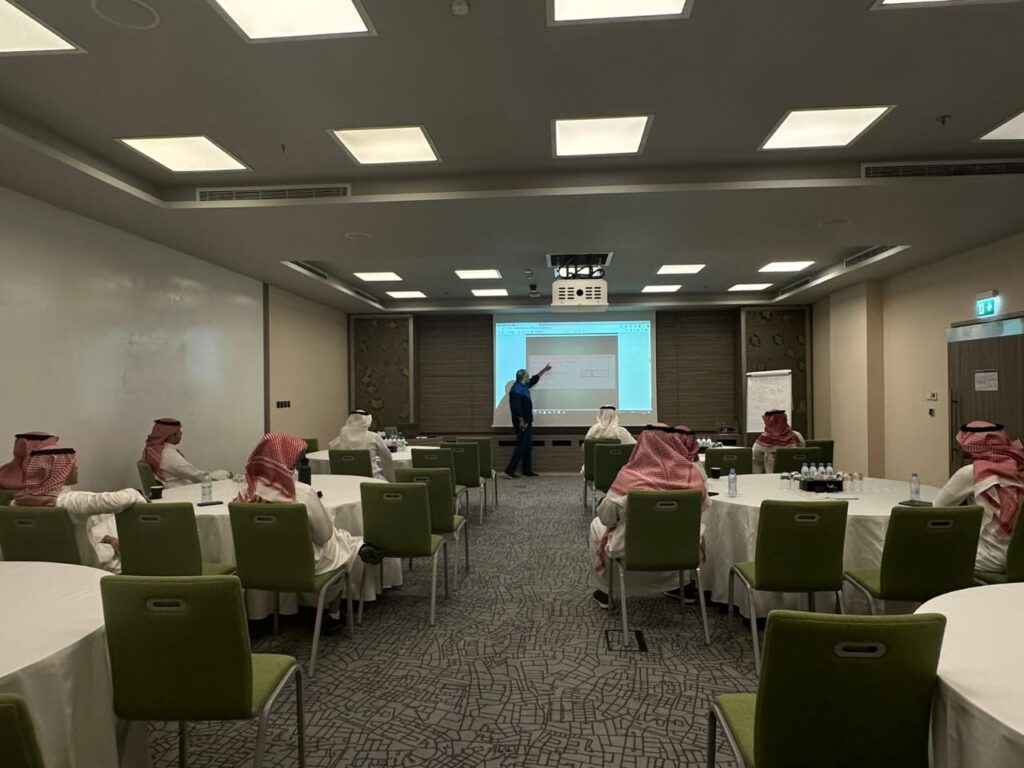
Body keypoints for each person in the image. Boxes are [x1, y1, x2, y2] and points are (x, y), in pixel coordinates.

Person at [236, 432, 365, 635]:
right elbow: (323, 535)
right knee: (340, 543)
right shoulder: (301, 493)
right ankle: (333, 615)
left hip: (262, 564)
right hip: (304, 565)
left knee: (338, 540)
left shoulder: (245, 492)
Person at [589, 424, 710, 608]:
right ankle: (679, 585)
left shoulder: (629, 477)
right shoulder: (692, 475)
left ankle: (606, 591)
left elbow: (607, 517)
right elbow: (705, 507)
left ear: (641, 445)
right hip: (682, 550)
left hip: (631, 551)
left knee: (596, 525)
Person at [13, 447, 146, 572]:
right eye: (71, 465)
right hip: (87, 568)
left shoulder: (16, 504)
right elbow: (121, 499)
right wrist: (136, 493)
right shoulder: (71, 502)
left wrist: (105, 538)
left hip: (41, 569)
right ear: (60, 471)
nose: (76, 467)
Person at [934, 421, 1024, 572]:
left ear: (968, 448)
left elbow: (937, 508)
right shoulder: (1019, 468)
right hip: (1019, 558)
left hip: (992, 558)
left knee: (932, 550)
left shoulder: (972, 472)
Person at [141, 418, 231, 488]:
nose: (181, 433)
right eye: (178, 431)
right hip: (179, 491)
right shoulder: (168, 455)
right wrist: (223, 475)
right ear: (172, 435)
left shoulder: (154, 450)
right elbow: (196, 476)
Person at [504, 363, 552, 478]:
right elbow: (516, 408)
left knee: (527, 446)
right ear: (522, 377)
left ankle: (526, 469)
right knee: (521, 446)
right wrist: (521, 420)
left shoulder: (524, 386)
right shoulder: (516, 390)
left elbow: (534, 379)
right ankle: (509, 470)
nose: (528, 377)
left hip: (527, 421)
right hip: (521, 422)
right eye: (526, 376)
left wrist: (544, 370)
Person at [329, 410, 395, 481]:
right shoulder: (373, 437)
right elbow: (387, 458)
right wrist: (390, 479)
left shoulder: (338, 440)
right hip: (371, 480)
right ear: (368, 421)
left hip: (345, 480)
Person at [752, 409, 805, 473]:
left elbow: (756, 464)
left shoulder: (763, 439)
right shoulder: (797, 436)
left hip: (774, 477)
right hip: (794, 475)